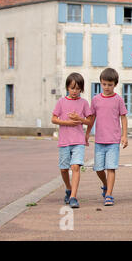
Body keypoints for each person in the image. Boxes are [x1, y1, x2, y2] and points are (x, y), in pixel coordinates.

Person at [86, 68, 128, 206]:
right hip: (99, 140)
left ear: (115, 84)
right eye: (104, 84)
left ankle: (109, 194)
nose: (107, 87)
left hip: (113, 141)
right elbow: (91, 118)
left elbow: (123, 118)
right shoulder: (96, 100)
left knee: (111, 167)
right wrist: (87, 134)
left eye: (110, 85)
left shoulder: (118, 100)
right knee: (98, 168)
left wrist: (124, 136)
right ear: (100, 83)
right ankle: (105, 184)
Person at [52, 73, 93, 209]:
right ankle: (68, 189)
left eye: (78, 89)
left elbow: (90, 121)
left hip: (78, 141)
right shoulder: (61, 102)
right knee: (64, 169)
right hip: (64, 141)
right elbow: (53, 118)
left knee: (75, 167)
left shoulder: (84, 103)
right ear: (67, 88)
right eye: (72, 88)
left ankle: (73, 197)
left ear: (81, 89)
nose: (75, 91)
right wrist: (67, 122)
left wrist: (80, 119)